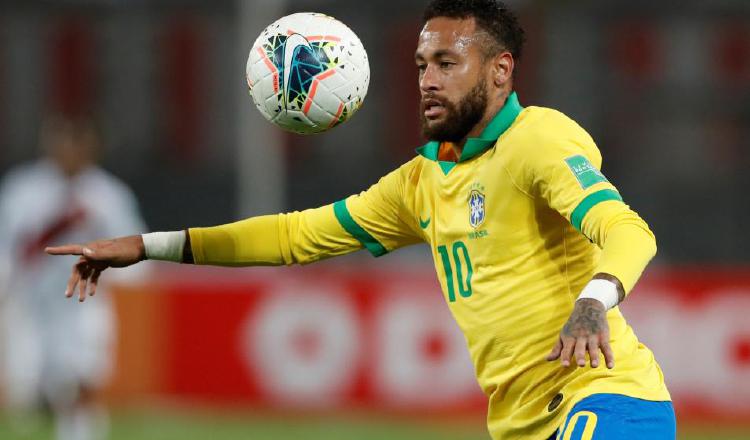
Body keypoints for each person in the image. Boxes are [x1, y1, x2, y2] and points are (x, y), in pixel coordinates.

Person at [45, 1, 675, 439]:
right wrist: (150, 244)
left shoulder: (538, 140)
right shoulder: (422, 183)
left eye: (447, 64)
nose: (428, 80)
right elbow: (293, 236)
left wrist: (594, 300)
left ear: (501, 70)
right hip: (524, 422)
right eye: (422, 65)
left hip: (606, 401)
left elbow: (627, 231)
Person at [0, 114, 147, 440]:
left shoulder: (108, 196)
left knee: (83, 381)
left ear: (90, 146)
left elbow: (137, 253)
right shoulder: (22, 190)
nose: (68, 149)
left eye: (75, 141)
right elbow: (7, 248)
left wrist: (112, 271)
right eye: (61, 139)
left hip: (84, 303)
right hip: (31, 307)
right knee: (27, 396)